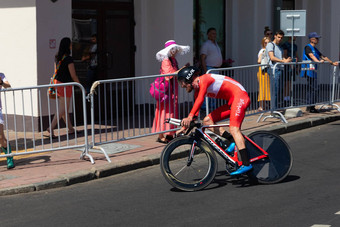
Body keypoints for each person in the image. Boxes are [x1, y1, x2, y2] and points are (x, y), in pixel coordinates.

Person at [177, 66, 252, 175]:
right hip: (233, 101)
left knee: (234, 129)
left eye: (182, 82)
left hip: (240, 97)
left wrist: (189, 117)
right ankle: (232, 141)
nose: (182, 85)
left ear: (189, 78)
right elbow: (196, 111)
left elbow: (200, 99)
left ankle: (246, 164)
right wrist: (184, 128)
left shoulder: (204, 79)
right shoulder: (197, 89)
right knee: (207, 121)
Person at [152, 40, 190, 143]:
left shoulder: (173, 60)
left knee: (171, 110)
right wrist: (182, 69)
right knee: (163, 110)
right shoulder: (166, 60)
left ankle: (169, 133)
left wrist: (182, 69)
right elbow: (169, 74)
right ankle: (161, 135)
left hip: (172, 88)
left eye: (175, 49)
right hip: (165, 89)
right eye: (173, 49)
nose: (175, 51)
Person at [46, 37, 81, 138]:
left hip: (58, 83)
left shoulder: (58, 57)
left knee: (64, 107)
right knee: (63, 108)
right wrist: (80, 85)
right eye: (70, 44)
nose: (71, 46)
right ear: (68, 46)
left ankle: (70, 129)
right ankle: (51, 127)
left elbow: (55, 71)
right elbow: (73, 75)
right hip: (66, 85)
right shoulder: (69, 59)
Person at [300, 32, 339, 113]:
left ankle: (311, 106)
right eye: (316, 38)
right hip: (308, 71)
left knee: (312, 89)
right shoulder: (308, 47)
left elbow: (323, 56)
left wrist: (332, 63)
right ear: (311, 39)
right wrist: (318, 61)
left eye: (317, 38)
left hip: (313, 71)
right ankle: (311, 107)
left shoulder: (315, 49)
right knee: (313, 88)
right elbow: (311, 56)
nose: (318, 40)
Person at [266, 30, 292, 109]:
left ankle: (276, 108)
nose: (280, 39)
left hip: (280, 70)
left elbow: (282, 58)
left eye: (281, 38)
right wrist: (283, 61)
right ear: (275, 36)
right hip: (274, 70)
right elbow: (272, 57)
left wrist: (287, 60)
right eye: (278, 37)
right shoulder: (270, 45)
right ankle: (273, 109)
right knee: (275, 90)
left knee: (279, 90)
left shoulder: (280, 47)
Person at [200, 27, 222, 113]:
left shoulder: (215, 44)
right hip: (209, 69)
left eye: (215, 33)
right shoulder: (206, 44)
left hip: (216, 69)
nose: (214, 35)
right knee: (208, 88)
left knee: (215, 88)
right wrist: (206, 71)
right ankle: (204, 107)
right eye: (212, 33)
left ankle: (212, 106)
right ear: (208, 35)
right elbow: (202, 58)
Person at [0, 73, 14, 169]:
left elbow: (8, 85)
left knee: (1, 137)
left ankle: (9, 157)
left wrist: (1, 82)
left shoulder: (1, 75)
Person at [282, 36, 299, 106]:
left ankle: (288, 97)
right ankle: (285, 98)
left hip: (293, 65)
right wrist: (288, 62)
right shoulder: (285, 44)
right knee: (287, 82)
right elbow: (285, 55)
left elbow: (296, 55)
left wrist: (297, 65)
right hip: (287, 66)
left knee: (290, 82)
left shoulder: (295, 45)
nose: (295, 37)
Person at [257, 37, 271, 111]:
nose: (267, 44)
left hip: (267, 71)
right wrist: (262, 55)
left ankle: (265, 104)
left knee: (267, 88)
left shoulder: (269, 51)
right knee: (262, 88)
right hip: (262, 71)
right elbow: (259, 61)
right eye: (265, 43)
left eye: (268, 43)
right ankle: (261, 106)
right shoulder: (262, 50)